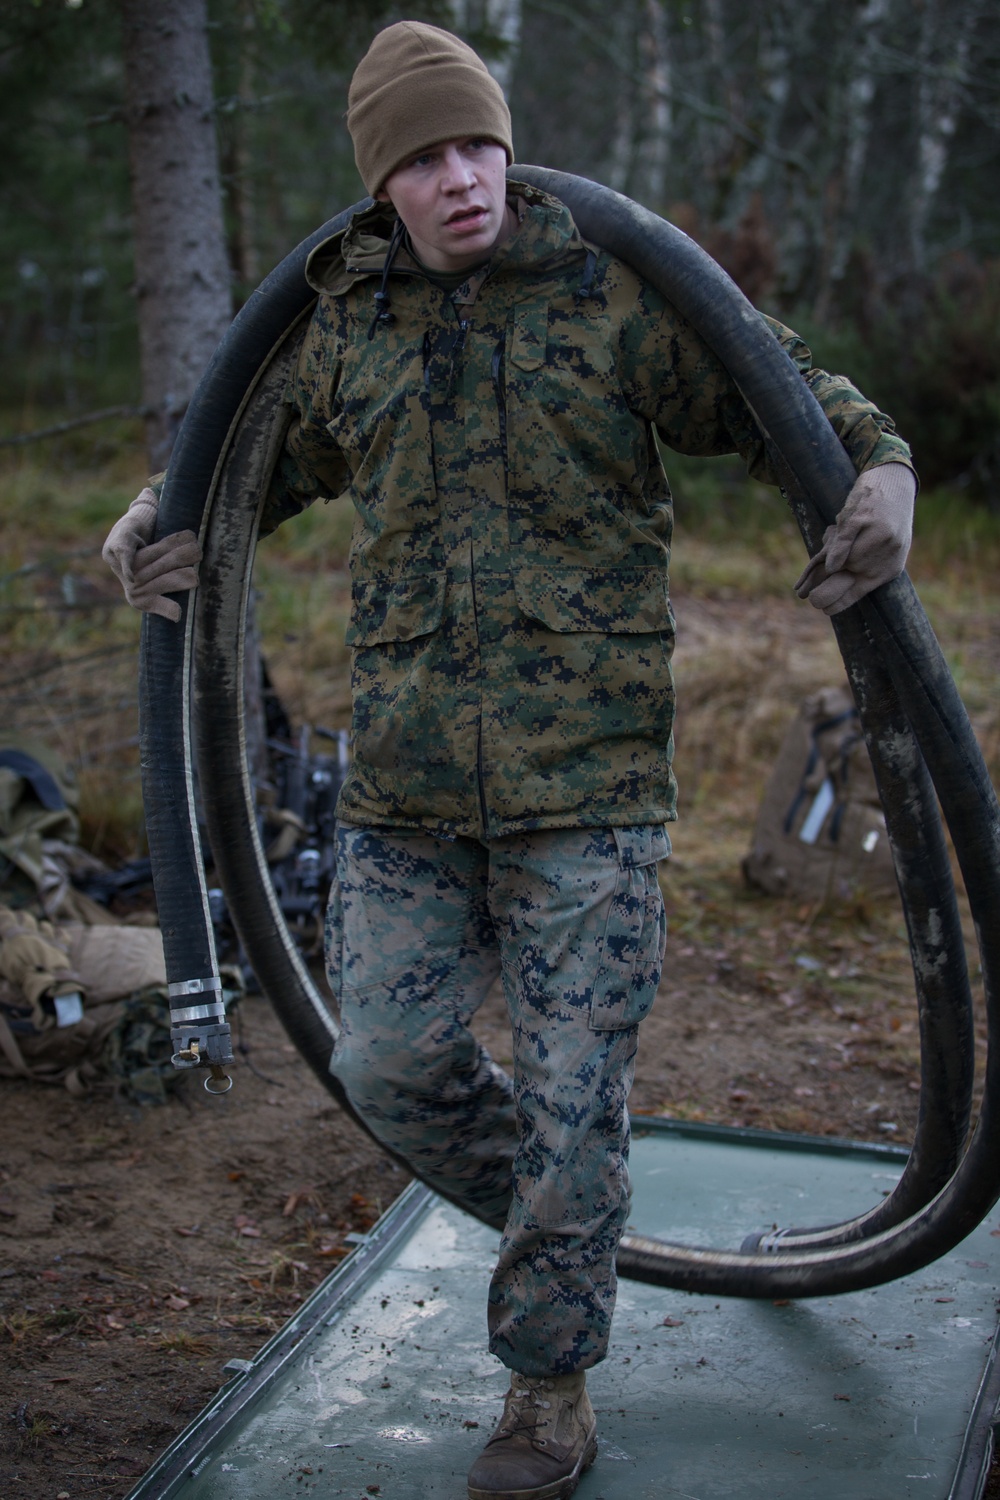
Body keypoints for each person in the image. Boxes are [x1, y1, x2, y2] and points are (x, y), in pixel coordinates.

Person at [104, 21, 916, 1500]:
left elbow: (776, 388)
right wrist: (156, 514)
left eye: (476, 143)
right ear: (383, 187)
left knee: (571, 1100)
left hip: (590, 792)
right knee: (388, 1069)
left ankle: (547, 1390)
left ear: (508, 146)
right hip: (408, 793)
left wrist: (883, 468)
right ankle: (582, 1226)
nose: (460, 178)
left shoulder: (612, 294)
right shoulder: (344, 325)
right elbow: (246, 463)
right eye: (423, 159)